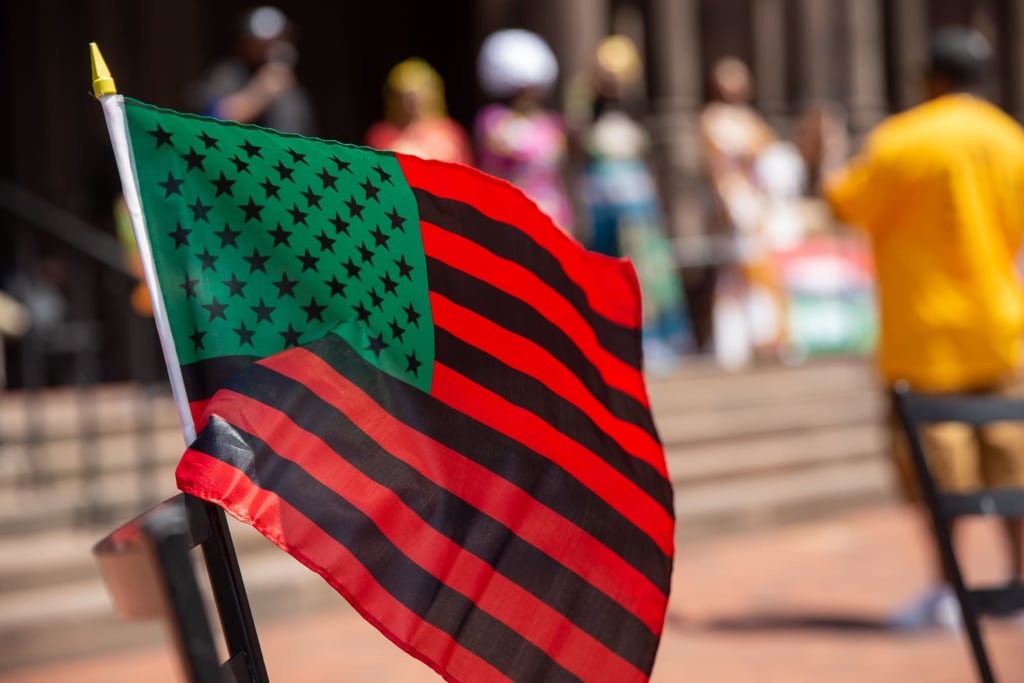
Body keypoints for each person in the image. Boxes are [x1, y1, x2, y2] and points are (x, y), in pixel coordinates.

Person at [823, 26, 1024, 630]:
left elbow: (845, 203)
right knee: (1013, 468)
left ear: (931, 78)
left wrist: (828, 152)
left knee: (939, 480)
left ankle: (948, 592)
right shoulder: (1010, 139)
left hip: (924, 337)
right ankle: (1018, 585)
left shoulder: (903, 138)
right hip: (1000, 329)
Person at [578, 35, 692, 373]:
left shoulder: (636, 116)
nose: (610, 80)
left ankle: (653, 340)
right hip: (601, 208)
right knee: (604, 270)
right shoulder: (585, 115)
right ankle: (607, 343)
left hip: (638, 208)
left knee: (645, 273)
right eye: (604, 73)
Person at [699, 57, 801, 369]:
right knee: (738, 275)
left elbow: (768, 154)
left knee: (760, 275)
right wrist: (727, 203)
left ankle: (765, 339)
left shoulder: (751, 120)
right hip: (735, 202)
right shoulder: (713, 118)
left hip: (757, 205)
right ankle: (734, 344)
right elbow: (720, 164)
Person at [474, 28, 574, 235]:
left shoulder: (551, 122)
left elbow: (558, 174)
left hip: (552, 214)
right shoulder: (493, 120)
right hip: (509, 214)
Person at [191, 5, 316, 136]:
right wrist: (261, 92)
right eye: (264, 42)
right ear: (246, 43)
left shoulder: (291, 87)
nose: (275, 45)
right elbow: (210, 121)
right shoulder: (228, 73)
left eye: (281, 38)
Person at [364, 58, 473, 165]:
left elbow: (467, 175)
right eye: (402, 93)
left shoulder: (450, 131)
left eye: (418, 91)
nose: (410, 100)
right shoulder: (381, 134)